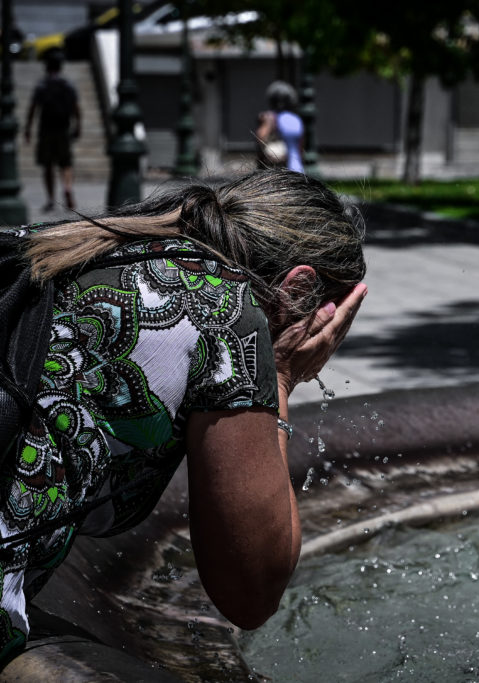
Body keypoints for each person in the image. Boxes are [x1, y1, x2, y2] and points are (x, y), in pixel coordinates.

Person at [0, 169, 367, 663]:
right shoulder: (223, 313)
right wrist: (278, 379)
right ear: (299, 293)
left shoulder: (95, 247)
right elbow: (251, 592)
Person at [24, 50, 81, 212]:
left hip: (46, 130)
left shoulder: (42, 85)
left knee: (48, 165)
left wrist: (28, 128)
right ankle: (67, 188)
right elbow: (76, 107)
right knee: (66, 163)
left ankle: (50, 199)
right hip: (63, 128)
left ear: (47, 67)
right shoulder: (67, 84)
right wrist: (78, 126)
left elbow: (33, 108)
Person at [255, 81, 305, 174]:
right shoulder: (296, 120)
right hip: (298, 170)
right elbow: (301, 148)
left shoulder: (270, 117)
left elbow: (260, 140)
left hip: (279, 173)